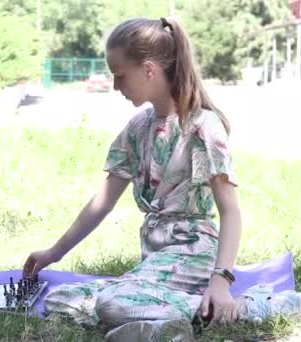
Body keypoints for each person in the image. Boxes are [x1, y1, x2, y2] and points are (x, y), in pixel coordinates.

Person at [22, 17, 300, 341]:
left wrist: (221, 281)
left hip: (194, 251)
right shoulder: (138, 128)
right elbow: (102, 203)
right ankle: (179, 316)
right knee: (61, 298)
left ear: (149, 69)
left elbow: (230, 211)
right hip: (156, 259)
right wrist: (53, 253)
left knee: (111, 303)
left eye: (120, 76)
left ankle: (242, 305)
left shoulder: (202, 126)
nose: (115, 87)